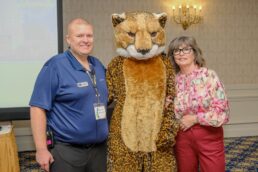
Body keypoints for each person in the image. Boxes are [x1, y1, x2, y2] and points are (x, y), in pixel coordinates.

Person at [29, 18, 108, 172]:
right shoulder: (55, 66)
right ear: (68, 39)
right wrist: (41, 149)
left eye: (89, 36)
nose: (85, 40)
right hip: (67, 152)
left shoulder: (98, 65)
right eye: (79, 36)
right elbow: (37, 108)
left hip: (99, 150)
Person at [167, 36, 230, 172]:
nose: (181, 53)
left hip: (209, 135)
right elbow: (168, 112)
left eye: (186, 49)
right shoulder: (173, 81)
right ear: (172, 56)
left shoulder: (209, 76)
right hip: (182, 137)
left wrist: (195, 119)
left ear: (195, 53)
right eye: (176, 51)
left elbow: (222, 112)